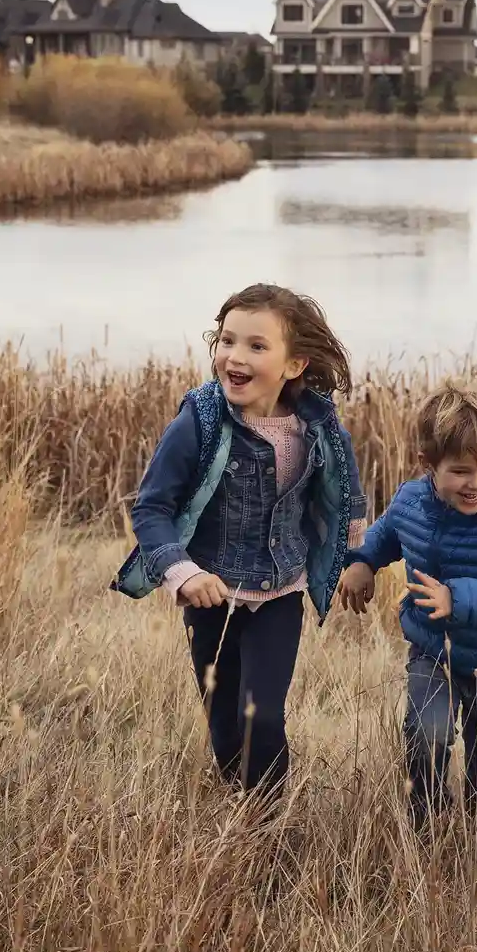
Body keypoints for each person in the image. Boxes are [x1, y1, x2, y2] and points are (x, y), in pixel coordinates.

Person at [112, 284, 367, 800]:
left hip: (279, 593)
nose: (234, 356)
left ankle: (267, 826)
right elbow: (153, 508)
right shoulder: (200, 420)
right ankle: (237, 801)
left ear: (294, 364)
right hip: (211, 596)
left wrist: (357, 559)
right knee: (226, 727)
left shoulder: (317, 425)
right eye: (227, 341)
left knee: (262, 715)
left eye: (256, 345)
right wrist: (184, 574)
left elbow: (346, 497)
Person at [336, 383, 477, 829]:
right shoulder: (411, 502)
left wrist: (458, 598)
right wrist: (362, 563)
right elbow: (386, 535)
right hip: (432, 649)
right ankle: (427, 820)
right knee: (424, 734)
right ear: (427, 465)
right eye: (461, 471)